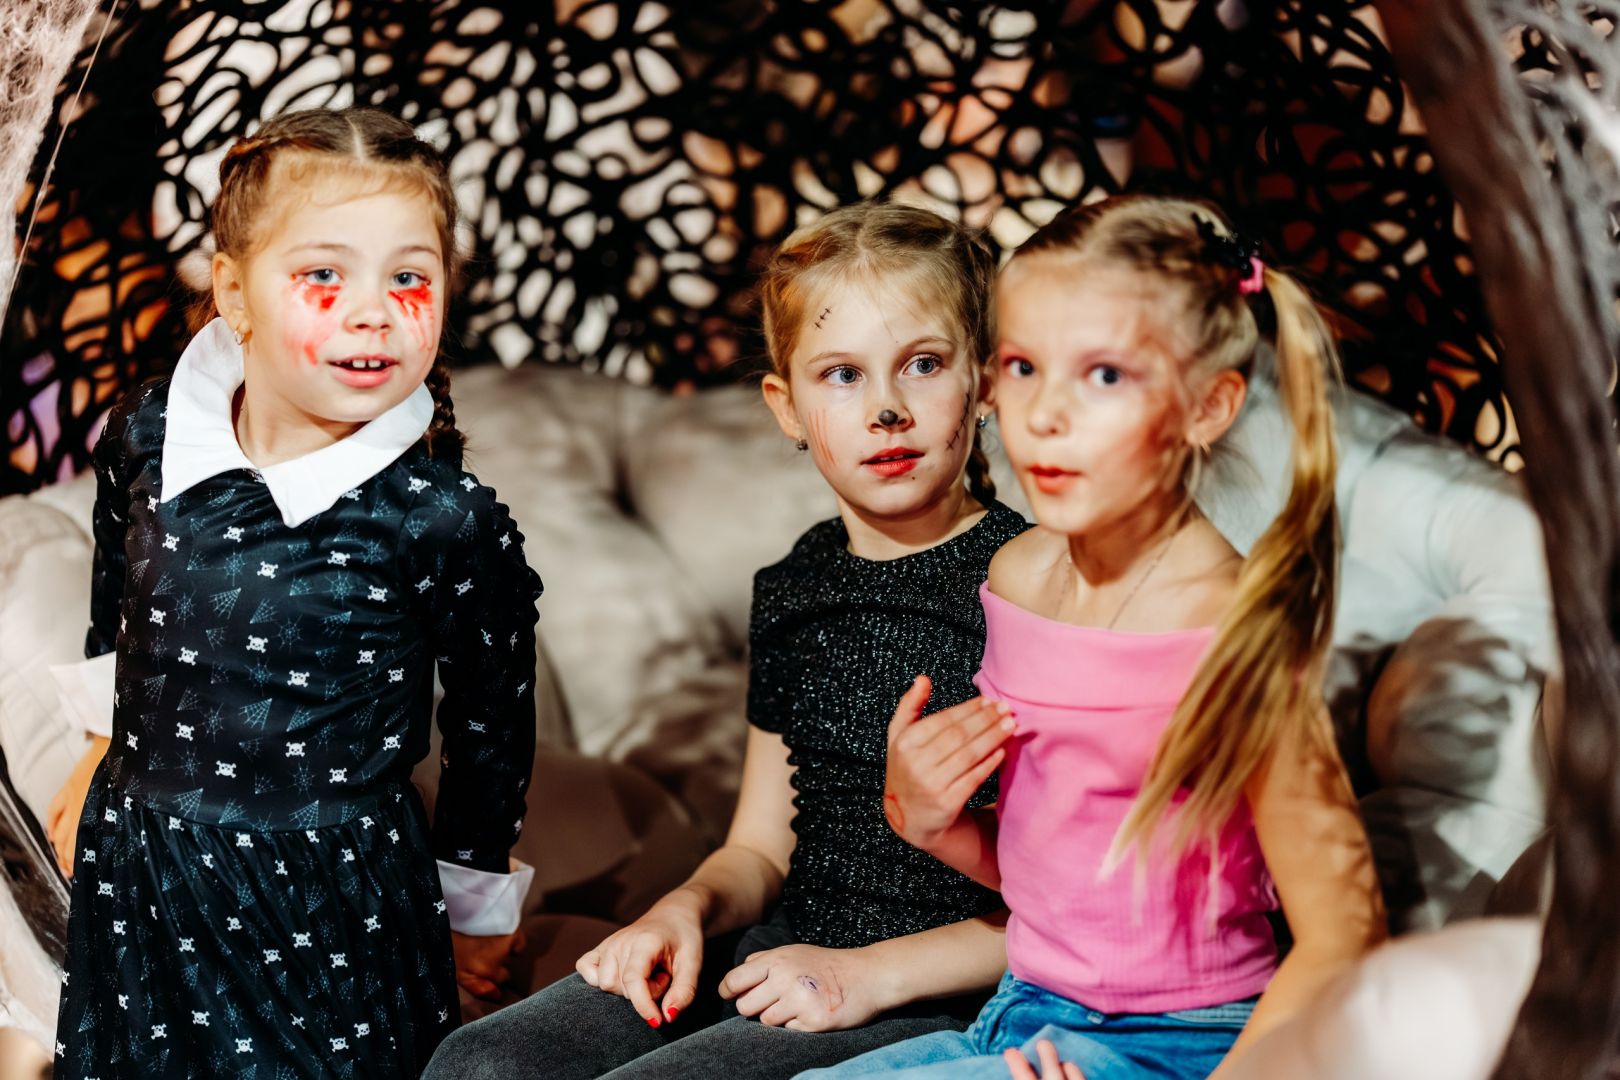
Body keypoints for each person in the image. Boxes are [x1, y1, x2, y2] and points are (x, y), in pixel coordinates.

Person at [424, 200, 1028, 1079]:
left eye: (924, 365)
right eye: (842, 375)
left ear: (985, 381)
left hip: (939, 993)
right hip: (787, 952)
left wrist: (863, 974)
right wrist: (684, 909)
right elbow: (759, 848)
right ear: (786, 407)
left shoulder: (1033, 585)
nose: (887, 409)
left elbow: (1098, 911)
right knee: (484, 1062)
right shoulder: (793, 585)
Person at [803, 195, 1387, 1080]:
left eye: (1105, 376)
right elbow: (1062, 883)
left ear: (1208, 406)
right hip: (1020, 1014)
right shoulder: (1018, 579)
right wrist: (930, 821)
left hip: (1182, 1042)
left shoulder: (1233, 630)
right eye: (1024, 366)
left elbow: (1345, 933)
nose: (1045, 413)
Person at [49, 105, 542, 1078]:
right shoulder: (148, 432)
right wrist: (102, 742)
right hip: (143, 878)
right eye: (325, 274)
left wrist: (474, 909)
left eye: (409, 277)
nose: (372, 311)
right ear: (233, 291)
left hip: (330, 913)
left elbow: (492, 728)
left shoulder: (438, 517)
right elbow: (119, 593)